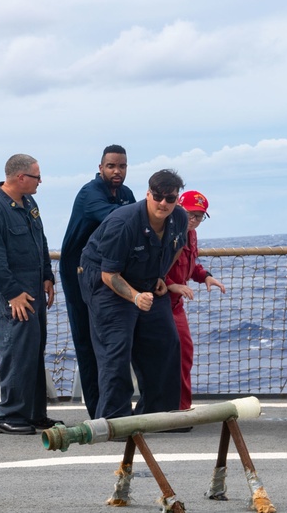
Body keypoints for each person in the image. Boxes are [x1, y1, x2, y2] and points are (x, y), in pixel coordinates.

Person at [79, 169, 189, 420]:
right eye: (158, 196)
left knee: (166, 343)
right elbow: (110, 275)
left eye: (170, 199)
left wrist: (161, 275)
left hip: (147, 280)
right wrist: (136, 298)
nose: (163, 203)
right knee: (117, 347)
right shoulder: (123, 223)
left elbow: (179, 245)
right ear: (148, 194)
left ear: (177, 199)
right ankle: (113, 419)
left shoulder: (179, 218)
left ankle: (158, 416)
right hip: (106, 280)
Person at [0, 154, 61, 435]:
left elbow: (41, 240)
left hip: (34, 290)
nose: (40, 182)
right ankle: (9, 415)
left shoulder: (29, 203)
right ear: (20, 177)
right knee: (17, 350)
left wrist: (48, 276)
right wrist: (13, 294)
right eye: (37, 176)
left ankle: (35, 414)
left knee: (34, 351)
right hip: (13, 295)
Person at [59, 144, 135, 419]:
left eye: (122, 166)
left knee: (112, 340)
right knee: (87, 342)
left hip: (108, 274)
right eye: (112, 166)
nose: (117, 171)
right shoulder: (89, 193)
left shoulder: (126, 194)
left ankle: (114, 406)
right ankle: (97, 412)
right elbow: (117, 220)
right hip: (78, 274)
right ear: (100, 167)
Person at [166, 191, 227, 411]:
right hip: (158, 303)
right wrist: (171, 284)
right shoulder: (166, 232)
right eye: (190, 214)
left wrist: (205, 276)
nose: (194, 220)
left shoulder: (191, 235)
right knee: (165, 358)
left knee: (184, 353)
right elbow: (150, 268)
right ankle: (164, 408)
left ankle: (182, 408)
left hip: (176, 305)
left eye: (199, 216)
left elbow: (190, 266)